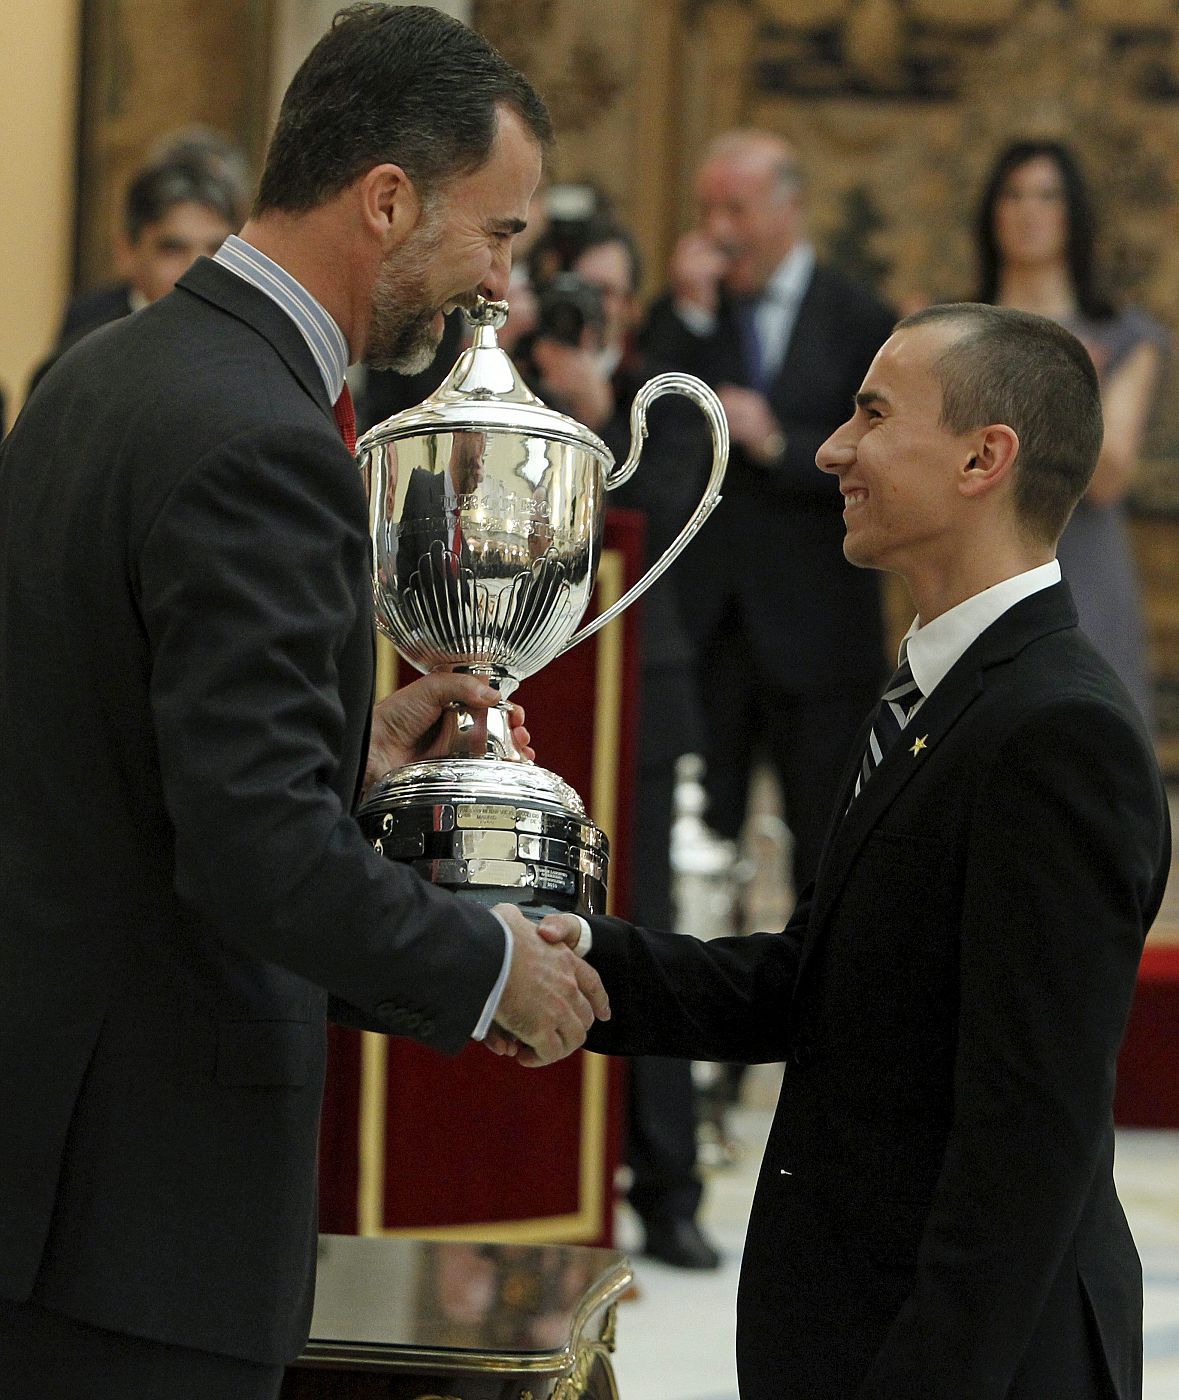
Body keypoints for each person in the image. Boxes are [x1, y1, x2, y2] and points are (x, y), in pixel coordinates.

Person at [0, 7, 610, 1398]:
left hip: (51, 1185)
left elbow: (116, 759)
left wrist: (353, 744)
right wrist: (488, 967)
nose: (499, 286)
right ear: (386, 199)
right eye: (498, 233)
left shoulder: (102, 377)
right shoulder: (263, 441)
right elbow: (250, 852)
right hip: (138, 1228)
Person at [526, 303, 1172, 1398]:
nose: (833, 449)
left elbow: (1027, 1148)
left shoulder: (1059, 731)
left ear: (984, 457)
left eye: (872, 414)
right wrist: (571, 955)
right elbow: (814, 981)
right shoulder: (945, 690)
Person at [529, 219, 720, 1269]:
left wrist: (599, 418)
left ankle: (669, 1180)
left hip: (639, 699)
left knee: (645, 925)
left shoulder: (664, 401)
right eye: (568, 296)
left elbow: (668, 513)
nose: (582, 320)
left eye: (603, 299)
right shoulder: (500, 378)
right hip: (529, 691)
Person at [642, 128, 895, 894]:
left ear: (789, 209)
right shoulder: (687, 312)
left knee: (827, 850)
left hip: (819, 629)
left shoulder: (860, 317)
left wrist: (780, 442)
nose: (717, 230)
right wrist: (683, 316)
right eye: (706, 209)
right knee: (695, 849)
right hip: (708, 628)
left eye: (736, 209)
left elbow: (885, 457)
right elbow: (647, 429)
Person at [974, 137, 1168, 730]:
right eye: (1014, 194)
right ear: (992, 211)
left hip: (1080, 570)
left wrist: (1067, 384)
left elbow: (1107, 476)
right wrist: (1062, 404)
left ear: (1072, 214)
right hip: (976, 565)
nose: (1029, 211)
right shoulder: (955, 330)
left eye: (1047, 196)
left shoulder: (1126, 333)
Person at [29, 149, 245, 391]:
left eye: (218, 248)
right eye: (172, 249)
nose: (199, 269)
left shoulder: (255, 351)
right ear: (126, 253)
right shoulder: (77, 363)